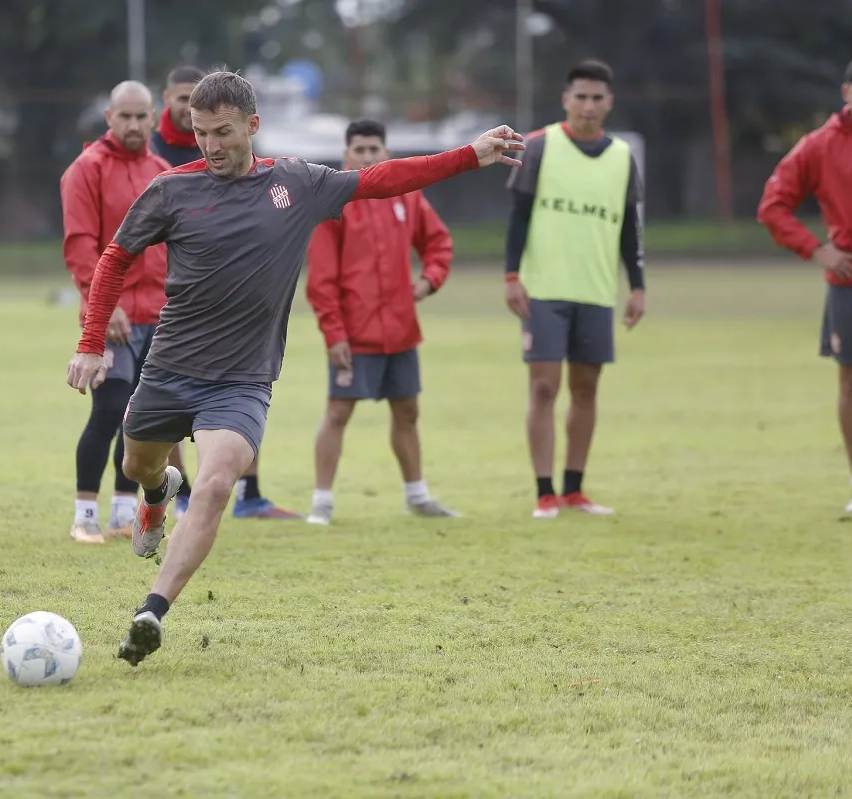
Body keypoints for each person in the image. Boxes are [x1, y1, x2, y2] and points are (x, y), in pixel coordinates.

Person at [64, 70, 524, 666]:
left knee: (217, 482)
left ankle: (152, 610)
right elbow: (115, 257)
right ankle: (156, 491)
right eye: (201, 133)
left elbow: (380, 181)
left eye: (223, 132)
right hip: (170, 366)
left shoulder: (296, 183)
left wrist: (470, 155)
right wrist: (90, 341)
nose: (210, 145)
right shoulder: (171, 189)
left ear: (252, 126)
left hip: (241, 379)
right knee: (136, 462)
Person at [151, 64, 300, 521]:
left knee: (239, 397)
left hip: (239, 308)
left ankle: (247, 492)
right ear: (169, 103)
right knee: (169, 403)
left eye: (220, 131)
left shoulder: (244, 154)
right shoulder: (158, 160)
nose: (211, 142)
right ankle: (174, 492)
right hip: (177, 305)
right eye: (179, 99)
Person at [503, 59, 646, 520]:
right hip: (544, 289)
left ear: (609, 102)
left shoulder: (623, 156)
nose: (588, 105)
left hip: (597, 292)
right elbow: (518, 217)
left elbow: (629, 231)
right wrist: (511, 276)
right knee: (544, 388)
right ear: (566, 99)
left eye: (597, 98)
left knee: (587, 390)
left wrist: (637, 286)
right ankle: (545, 493)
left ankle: (575, 489)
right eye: (580, 96)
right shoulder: (541, 146)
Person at [305, 119, 459, 524]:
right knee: (338, 414)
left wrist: (429, 281)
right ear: (347, 156)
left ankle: (417, 495)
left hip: (401, 332)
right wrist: (334, 333)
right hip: (354, 336)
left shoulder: (407, 197)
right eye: (361, 150)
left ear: (387, 154)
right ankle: (321, 503)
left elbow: (439, 243)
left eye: (375, 150)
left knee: (407, 411)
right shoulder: (333, 203)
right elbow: (321, 279)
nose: (369, 156)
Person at [61, 81, 172, 544]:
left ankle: (125, 514)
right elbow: (81, 245)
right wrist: (104, 308)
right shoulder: (86, 170)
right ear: (109, 116)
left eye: (140, 116)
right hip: (113, 317)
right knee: (108, 411)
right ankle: (85, 514)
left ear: (153, 117)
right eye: (123, 116)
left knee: (141, 417)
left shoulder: (164, 172)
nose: (132, 124)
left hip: (161, 315)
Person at [758, 51, 852, 512]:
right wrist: (818, 249)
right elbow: (773, 205)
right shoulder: (820, 145)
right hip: (850, 282)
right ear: (846, 93)